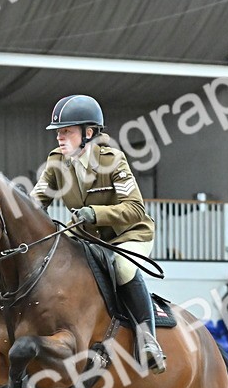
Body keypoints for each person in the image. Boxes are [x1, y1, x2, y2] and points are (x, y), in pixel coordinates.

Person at [30, 94, 165, 373]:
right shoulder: (56, 162)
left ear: (88, 133)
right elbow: (35, 203)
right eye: (58, 132)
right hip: (89, 240)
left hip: (127, 235)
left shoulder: (113, 160)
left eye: (66, 131)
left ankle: (148, 340)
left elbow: (135, 208)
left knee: (122, 267)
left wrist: (95, 213)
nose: (59, 138)